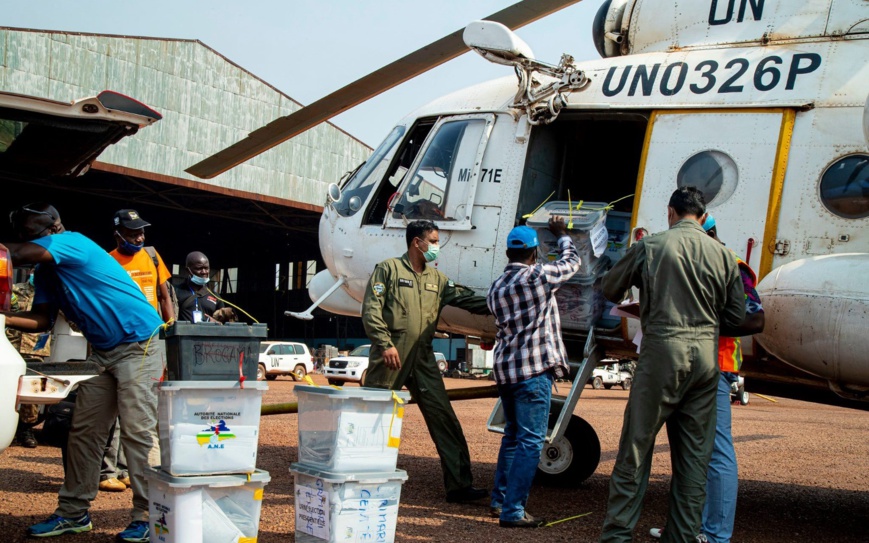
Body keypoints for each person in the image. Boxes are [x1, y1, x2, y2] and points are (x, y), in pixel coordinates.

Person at [2, 203, 164, 542]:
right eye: (25, 229)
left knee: (138, 432)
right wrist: (3, 317)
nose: (30, 235)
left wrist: (9, 251)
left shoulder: (71, 241)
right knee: (84, 432)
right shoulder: (47, 272)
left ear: (52, 227)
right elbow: (42, 319)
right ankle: (73, 513)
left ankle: (149, 517)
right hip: (103, 351)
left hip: (140, 343)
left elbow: (15, 252)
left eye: (34, 229)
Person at [598, 187, 745, 543]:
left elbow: (609, 289)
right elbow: (738, 318)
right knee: (695, 459)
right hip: (707, 361)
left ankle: (617, 536)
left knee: (636, 448)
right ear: (702, 214)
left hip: (663, 353)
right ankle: (682, 536)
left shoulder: (652, 246)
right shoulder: (725, 256)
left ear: (670, 212)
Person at [650, 215, 766, 543]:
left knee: (715, 452)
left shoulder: (732, 265)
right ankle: (686, 528)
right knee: (687, 451)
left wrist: (699, 323)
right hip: (681, 365)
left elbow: (755, 319)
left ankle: (715, 535)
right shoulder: (689, 264)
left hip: (714, 369)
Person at [361, 219, 491, 503]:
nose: (436, 246)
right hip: (390, 358)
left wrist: (506, 300)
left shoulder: (437, 280)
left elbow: (469, 300)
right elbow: (371, 310)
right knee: (371, 419)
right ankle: (361, 479)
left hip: (423, 359)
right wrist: (384, 344)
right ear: (416, 242)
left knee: (444, 419)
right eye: (432, 241)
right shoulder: (388, 270)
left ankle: (459, 486)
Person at [487, 217, 579, 528]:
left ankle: (499, 501)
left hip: (506, 371)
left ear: (508, 253)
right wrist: (563, 235)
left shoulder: (496, 288)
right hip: (533, 371)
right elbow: (572, 263)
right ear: (534, 254)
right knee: (530, 441)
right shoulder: (537, 277)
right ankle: (513, 511)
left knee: (512, 436)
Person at [100, 209, 174, 494]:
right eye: (132, 233)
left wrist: (170, 330)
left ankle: (130, 469)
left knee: (142, 409)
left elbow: (164, 295)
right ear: (117, 234)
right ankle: (109, 469)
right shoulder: (107, 261)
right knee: (117, 410)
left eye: (141, 232)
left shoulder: (153, 256)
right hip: (122, 342)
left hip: (152, 341)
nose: (139, 237)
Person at [8, 270, 51, 449]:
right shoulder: (14, 290)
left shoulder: (50, 295)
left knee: (32, 392)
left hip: (35, 349)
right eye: (34, 271)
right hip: (12, 344)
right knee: (8, 388)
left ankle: (26, 429)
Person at [175, 251, 224, 322]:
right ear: (188, 270)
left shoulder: (215, 297)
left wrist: (216, 323)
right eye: (199, 268)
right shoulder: (176, 292)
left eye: (206, 268)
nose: (204, 272)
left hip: (208, 332)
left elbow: (223, 326)